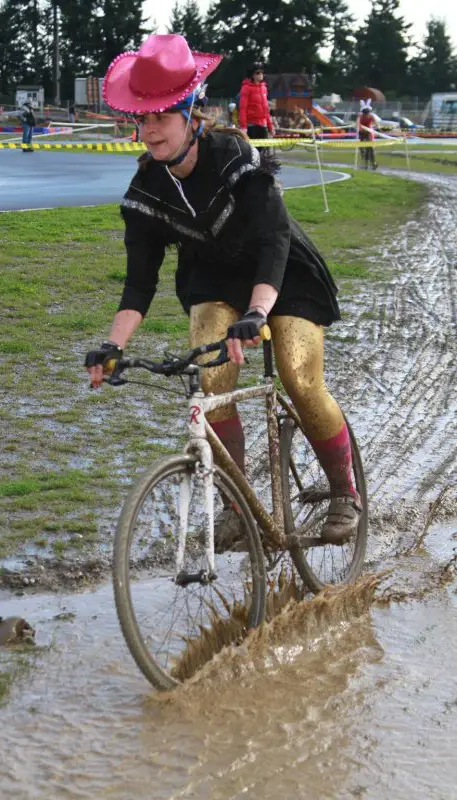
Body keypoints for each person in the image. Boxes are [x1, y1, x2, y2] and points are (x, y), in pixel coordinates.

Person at [85, 34, 362, 545]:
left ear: (192, 114)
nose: (148, 130)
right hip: (213, 281)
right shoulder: (147, 189)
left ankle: (345, 491)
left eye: (160, 117)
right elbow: (138, 282)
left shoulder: (233, 153)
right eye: (141, 120)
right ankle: (240, 505)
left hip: (281, 274)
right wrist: (113, 346)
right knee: (213, 385)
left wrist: (258, 311)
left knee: (300, 379)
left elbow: (275, 236)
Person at [238, 62, 274, 143]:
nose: (260, 74)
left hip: (263, 125)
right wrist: (243, 127)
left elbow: (266, 110)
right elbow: (242, 108)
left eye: (262, 72)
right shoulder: (246, 88)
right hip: (252, 125)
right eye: (258, 72)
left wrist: (270, 126)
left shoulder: (264, 88)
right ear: (252, 75)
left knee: (262, 151)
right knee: (253, 151)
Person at [357, 99, 378, 170]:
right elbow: (358, 124)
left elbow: (376, 124)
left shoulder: (371, 116)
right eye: (365, 113)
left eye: (367, 113)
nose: (366, 115)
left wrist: (373, 128)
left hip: (369, 133)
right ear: (363, 113)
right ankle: (365, 162)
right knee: (363, 148)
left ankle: (373, 163)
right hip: (362, 133)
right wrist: (361, 128)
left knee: (371, 148)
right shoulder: (360, 116)